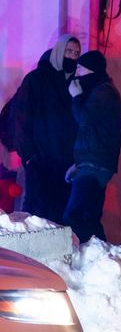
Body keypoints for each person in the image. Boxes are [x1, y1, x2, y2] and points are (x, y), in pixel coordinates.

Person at [11, 35, 80, 223]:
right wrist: (29, 155)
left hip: (65, 162)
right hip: (40, 159)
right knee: (37, 213)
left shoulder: (75, 84)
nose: (72, 57)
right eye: (68, 51)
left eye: (76, 53)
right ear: (59, 51)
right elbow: (22, 118)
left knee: (59, 213)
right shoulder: (36, 79)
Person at [63, 50, 121, 243]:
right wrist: (79, 163)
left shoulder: (103, 92)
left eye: (80, 68)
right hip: (91, 163)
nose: (76, 73)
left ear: (91, 70)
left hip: (95, 165)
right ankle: (101, 261)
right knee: (89, 216)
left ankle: (82, 261)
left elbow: (85, 119)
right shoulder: (99, 90)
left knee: (75, 216)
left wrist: (77, 96)